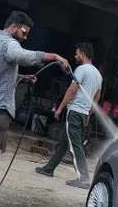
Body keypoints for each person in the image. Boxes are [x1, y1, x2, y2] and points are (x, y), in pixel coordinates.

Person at [0, 11, 69, 205]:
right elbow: (23, 56)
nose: (25, 37)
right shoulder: (10, 43)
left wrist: (21, 78)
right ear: (14, 26)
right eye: (24, 32)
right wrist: (54, 56)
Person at [35, 42, 103, 189]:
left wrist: (60, 108)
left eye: (77, 53)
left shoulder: (81, 70)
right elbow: (98, 95)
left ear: (83, 54)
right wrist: (90, 111)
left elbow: (72, 91)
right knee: (64, 143)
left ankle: (84, 178)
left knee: (75, 146)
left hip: (75, 112)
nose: (75, 56)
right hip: (83, 113)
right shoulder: (98, 74)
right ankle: (48, 169)